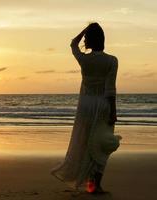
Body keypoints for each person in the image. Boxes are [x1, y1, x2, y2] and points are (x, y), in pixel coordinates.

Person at [51, 23, 122, 194]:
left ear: (88, 40)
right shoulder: (112, 60)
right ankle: (94, 184)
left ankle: (90, 185)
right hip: (103, 104)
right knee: (101, 144)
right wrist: (113, 110)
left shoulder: (84, 60)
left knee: (85, 142)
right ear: (103, 39)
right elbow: (110, 89)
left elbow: (73, 44)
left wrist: (85, 30)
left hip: (85, 106)